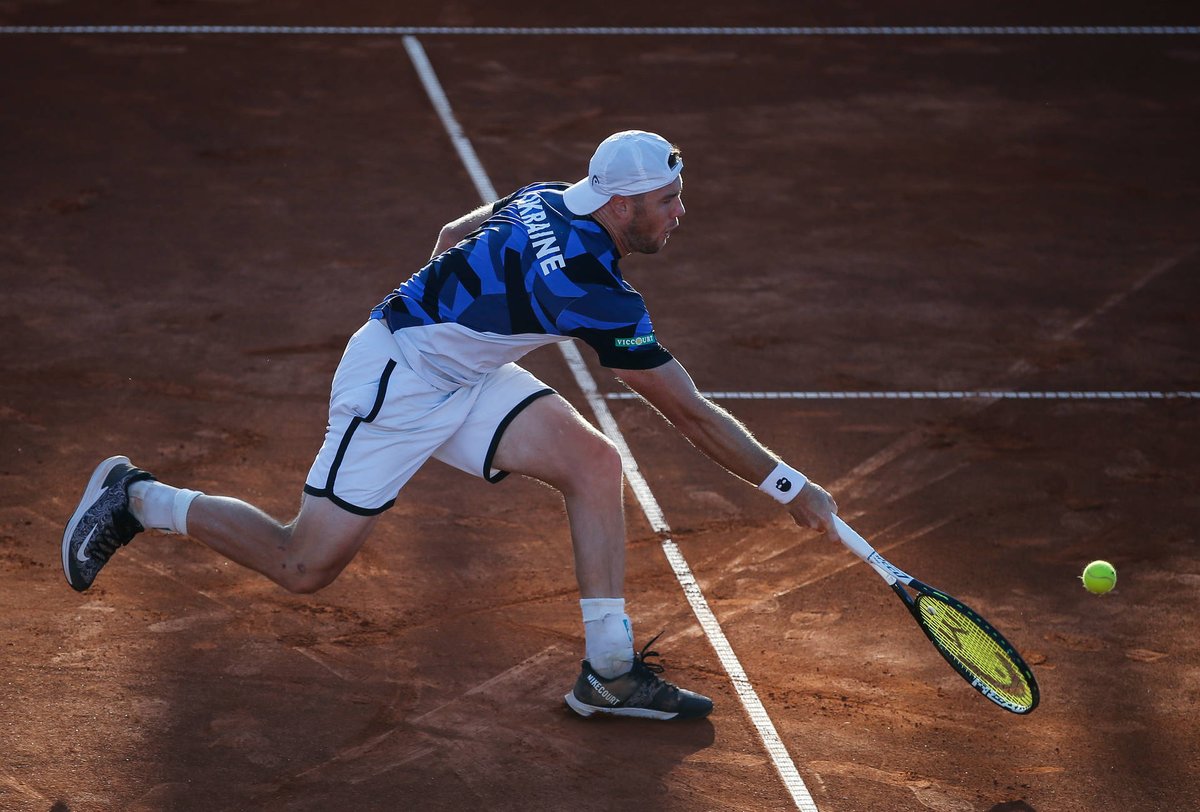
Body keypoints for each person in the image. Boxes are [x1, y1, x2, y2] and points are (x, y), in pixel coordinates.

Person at [62, 130, 840, 721]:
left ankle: (607, 672)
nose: (680, 211)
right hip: (397, 383)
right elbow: (691, 415)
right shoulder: (598, 294)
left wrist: (460, 325)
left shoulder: (547, 195)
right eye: (667, 199)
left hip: (456, 371)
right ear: (620, 203)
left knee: (596, 465)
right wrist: (789, 485)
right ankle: (138, 498)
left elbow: (449, 234)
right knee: (304, 565)